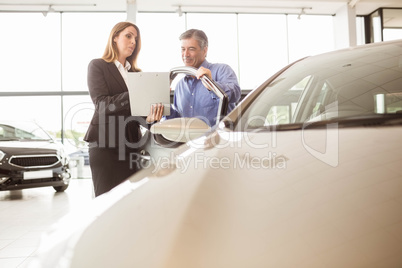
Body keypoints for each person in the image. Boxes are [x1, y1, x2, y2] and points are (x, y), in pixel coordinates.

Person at [84, 21, 163, 197]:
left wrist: (149, 119)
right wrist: (136, 91)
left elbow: (138, 115)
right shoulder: (98, 66)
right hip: (105, 145)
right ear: (114, 38)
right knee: (106, 203)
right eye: (128, 36)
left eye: (136, 38)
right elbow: (102, 105)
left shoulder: (136, 74)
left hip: (131, 146)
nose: (133, 42)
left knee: (129, 202)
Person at [166, 29, 241, 127]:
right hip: (188, 141)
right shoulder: (180, 85)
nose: (186, 54)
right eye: (183, 49)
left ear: (204, 50)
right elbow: (178, 121)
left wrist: (211, 84)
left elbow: (235, 94)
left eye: (191, 49)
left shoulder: (221, 70)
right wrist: (165, 107)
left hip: (218, 140)